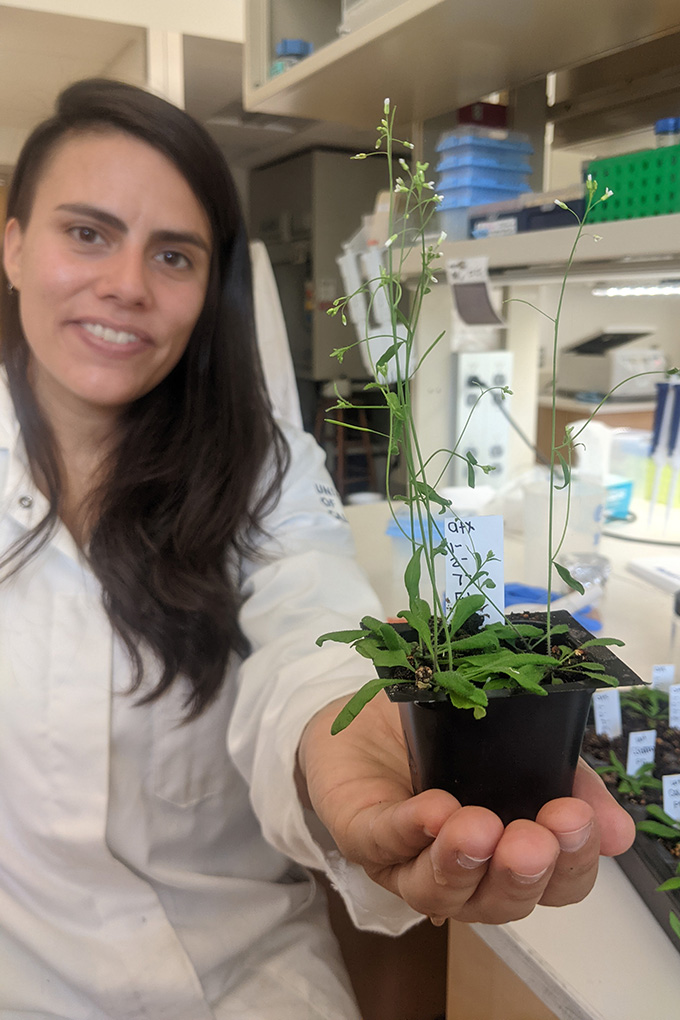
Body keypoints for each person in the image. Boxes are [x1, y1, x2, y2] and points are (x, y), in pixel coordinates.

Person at [0, 78, 634, 1019]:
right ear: (13, 243)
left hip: (248, 987)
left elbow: (306, 610)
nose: (126, 283)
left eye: (172, 254)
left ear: (210, 286)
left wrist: (345, 722)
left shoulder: (259, 466)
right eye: (86, 233)